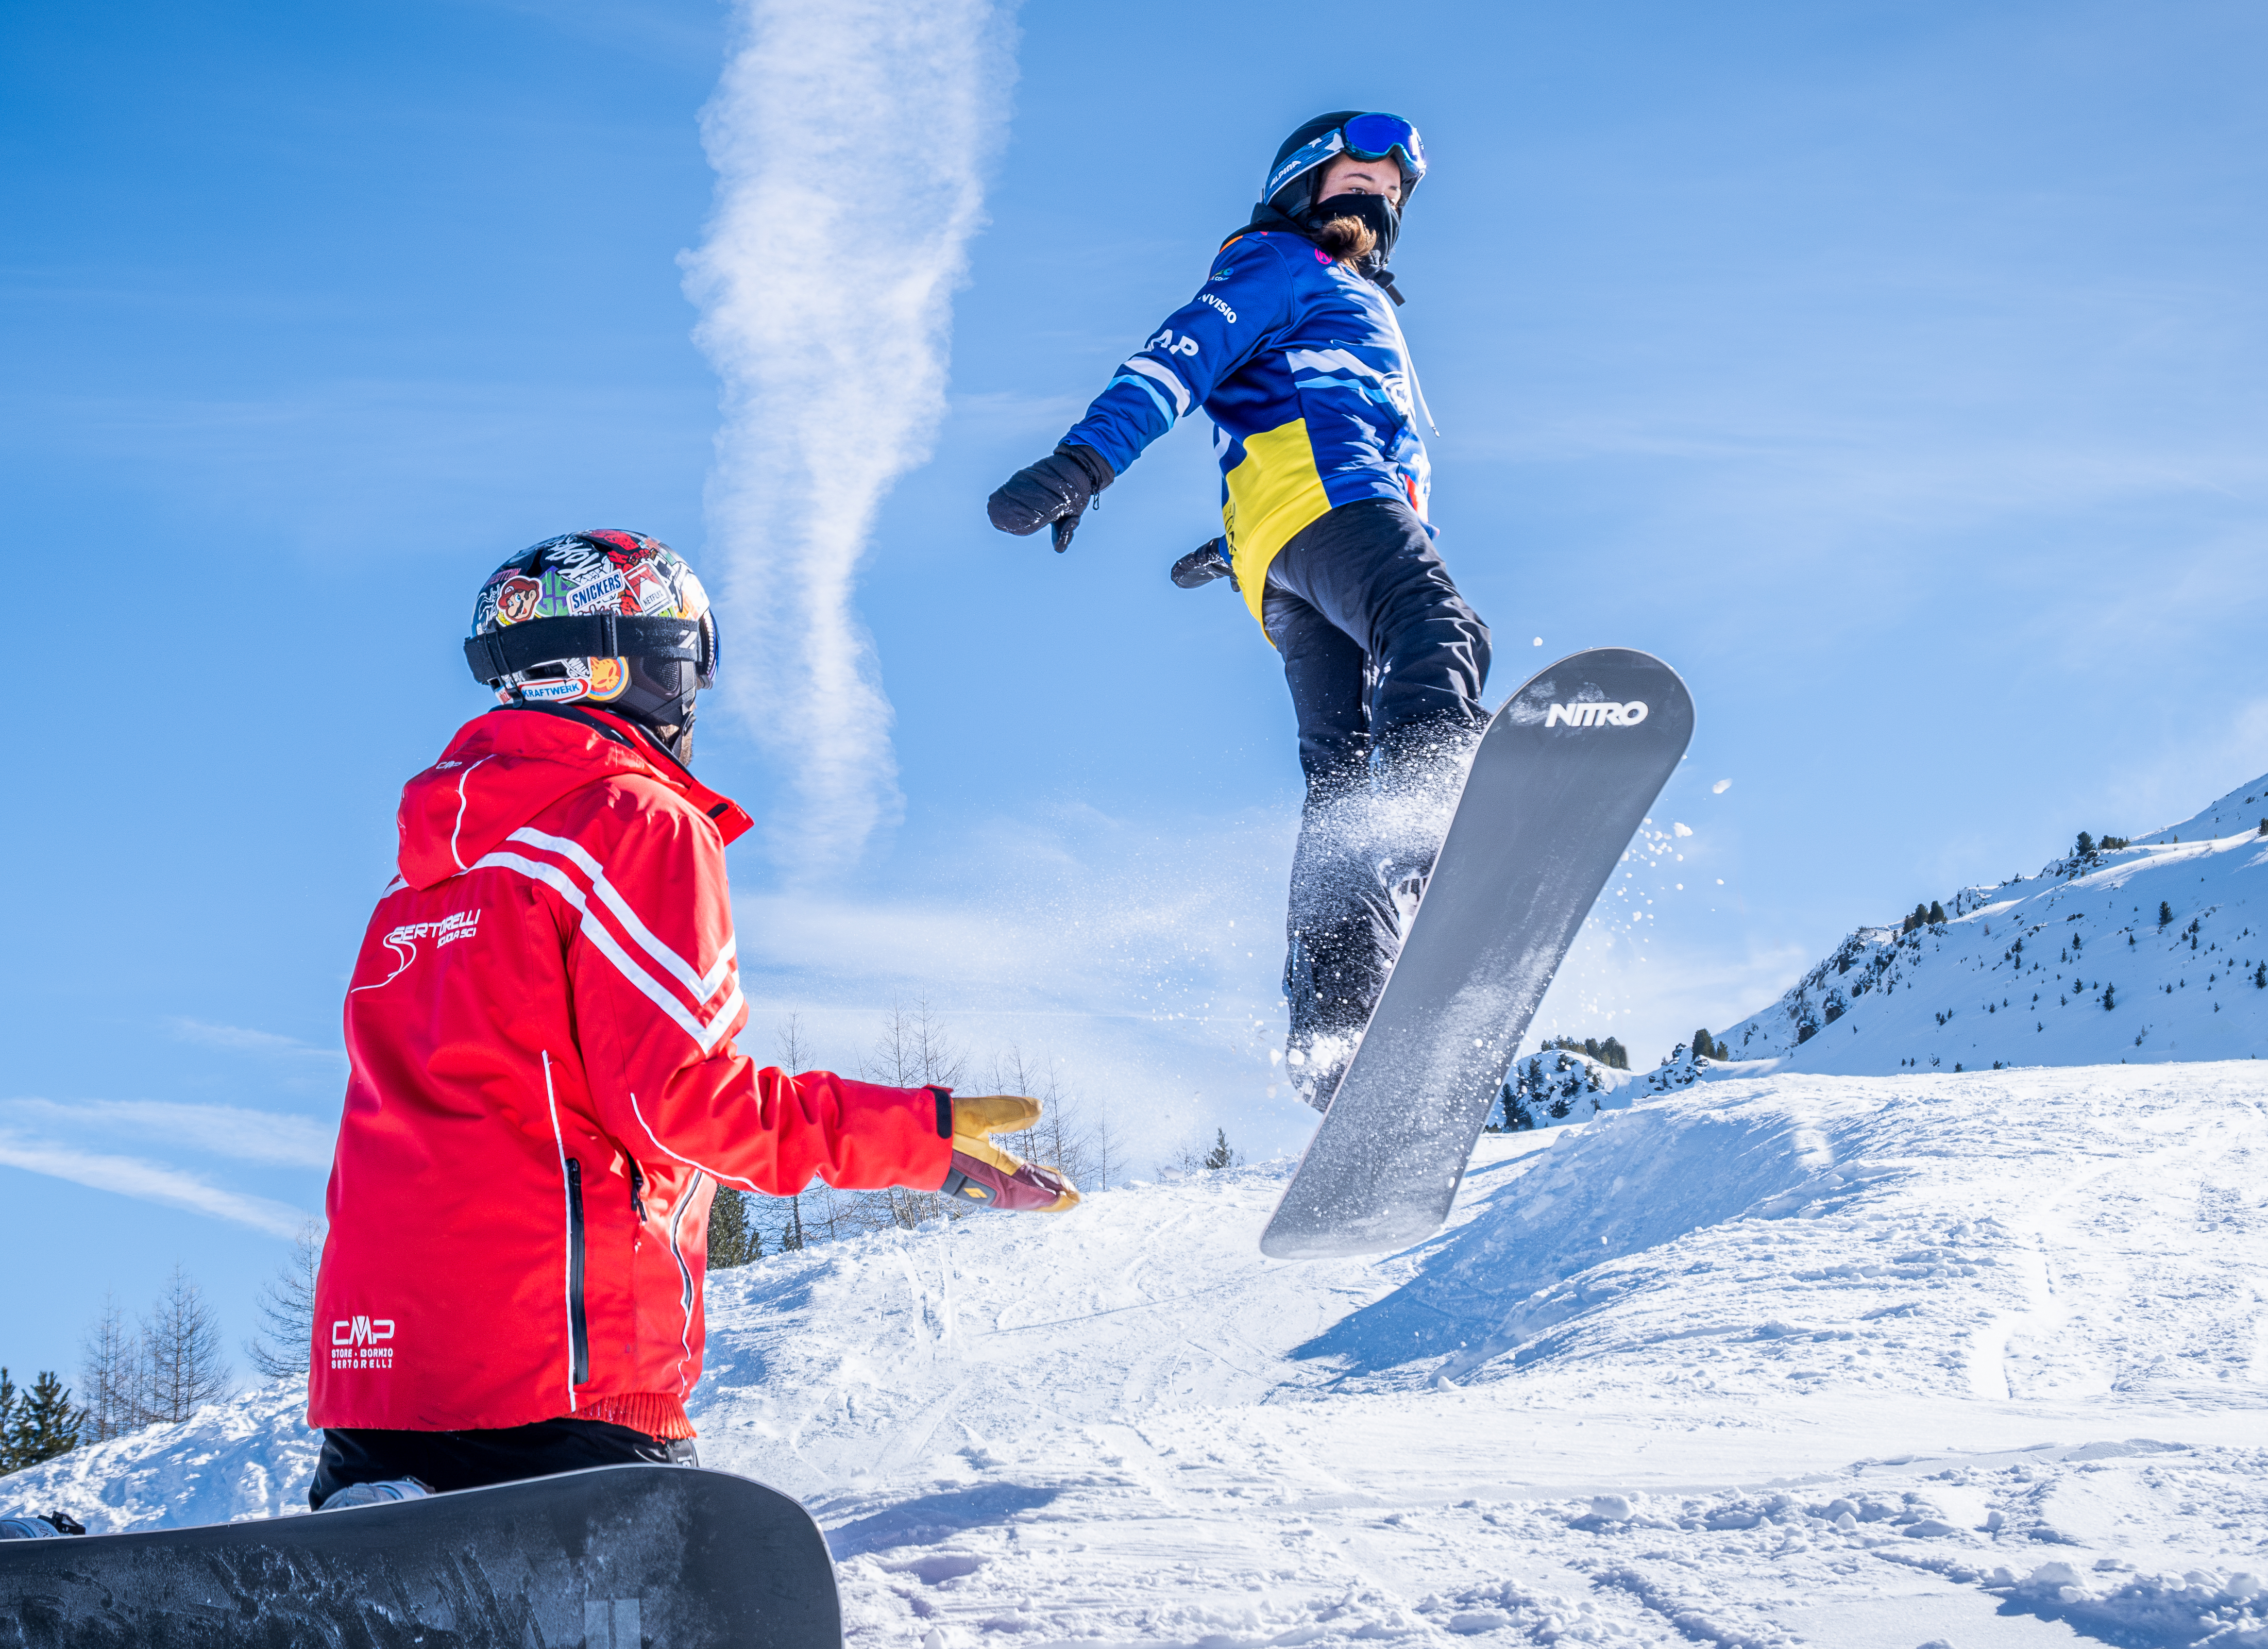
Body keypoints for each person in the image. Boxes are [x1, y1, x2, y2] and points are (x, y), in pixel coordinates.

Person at [307, 528, 1075, 1510]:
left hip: (376, 1380)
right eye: (684, 670)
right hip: (558, 1379)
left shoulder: (423, 874)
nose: (689, 700)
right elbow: (681, 1101)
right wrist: (915, 1141)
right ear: (633, 668)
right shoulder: (633, 820)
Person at [983, 111, 1493, 1109]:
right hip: (1336, 512)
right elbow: (1179, 360)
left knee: (1343, 781)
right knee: (1439, 630)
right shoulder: (1282, 264)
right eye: (1362, 180)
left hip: (1289, 559)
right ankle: (1436, 832)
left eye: (1394, 198)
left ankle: (1335, 1024)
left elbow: (1274, 425)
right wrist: (1087, 463)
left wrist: (1236, 548)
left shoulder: (1340, 299)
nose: (1380, 204)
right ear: (1305, 180)